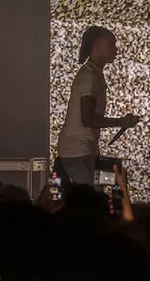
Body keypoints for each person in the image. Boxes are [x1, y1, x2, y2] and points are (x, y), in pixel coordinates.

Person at [55, 26, 140, 186]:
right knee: (92, 196)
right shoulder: (89, 75)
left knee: (109, 182)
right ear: (95, 46)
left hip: (85, 150)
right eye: (110, 44)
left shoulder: (94, 73)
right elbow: (87, 119)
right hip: (77, 152)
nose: (115, 49)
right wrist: (120, 122)